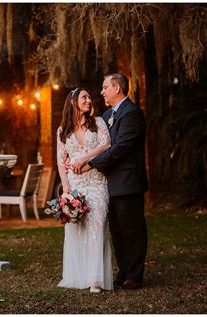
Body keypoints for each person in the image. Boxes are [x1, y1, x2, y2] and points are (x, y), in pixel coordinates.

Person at [74, 73, 149, 290]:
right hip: (109, 184)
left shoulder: (132, 114)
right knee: (117, 230)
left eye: (105, 86)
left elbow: (120, 148)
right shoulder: (107, 115)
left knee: (132, 229)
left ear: (117, 88)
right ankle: (124, 271)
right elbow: (99, 142)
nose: (102, 91)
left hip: (127, 181)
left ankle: (135, 275)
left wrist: (91, 164)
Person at [56, 87, 113, 293]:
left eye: (89, 97)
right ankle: (79, 275)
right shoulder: (63, 131)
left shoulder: (97, 123)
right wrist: (66, 189)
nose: (89, 100)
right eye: (84, 97)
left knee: (97, 227)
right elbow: (61, 162)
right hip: (75, 184)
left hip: (97, 182)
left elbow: (106, 145)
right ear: (73, 102)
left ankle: (96, 279)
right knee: (76, 230)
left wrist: (83, 157)